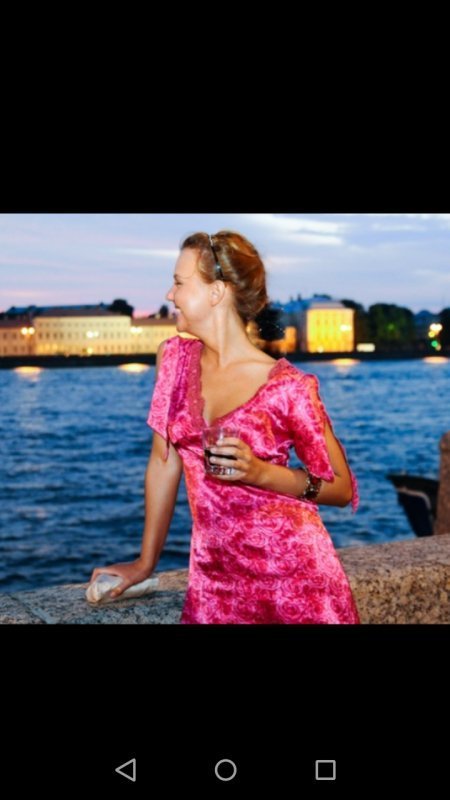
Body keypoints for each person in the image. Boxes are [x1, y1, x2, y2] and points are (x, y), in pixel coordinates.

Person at [89, 230, 360, 624]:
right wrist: (145, 562)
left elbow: (341, 487)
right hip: (213, 585)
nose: (169, 294)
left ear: (216, 292)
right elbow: (163, 462)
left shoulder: (288, 387)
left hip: (296, 586)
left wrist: (261, 473)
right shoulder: (172, 360)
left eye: (179, 283)